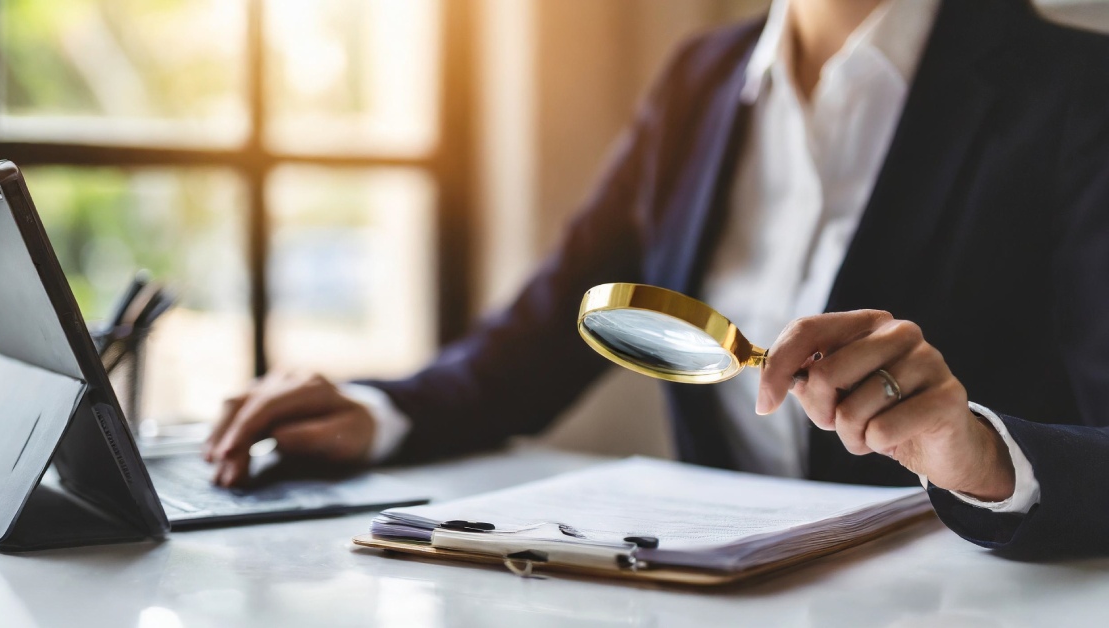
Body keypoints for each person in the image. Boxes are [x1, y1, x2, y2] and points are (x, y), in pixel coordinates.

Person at [206, 0, 1109, 559]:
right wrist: (380, 409)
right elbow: (549, 330)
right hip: (712, 595)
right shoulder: (700, 79)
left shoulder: (1079, 91)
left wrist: (982, 455)